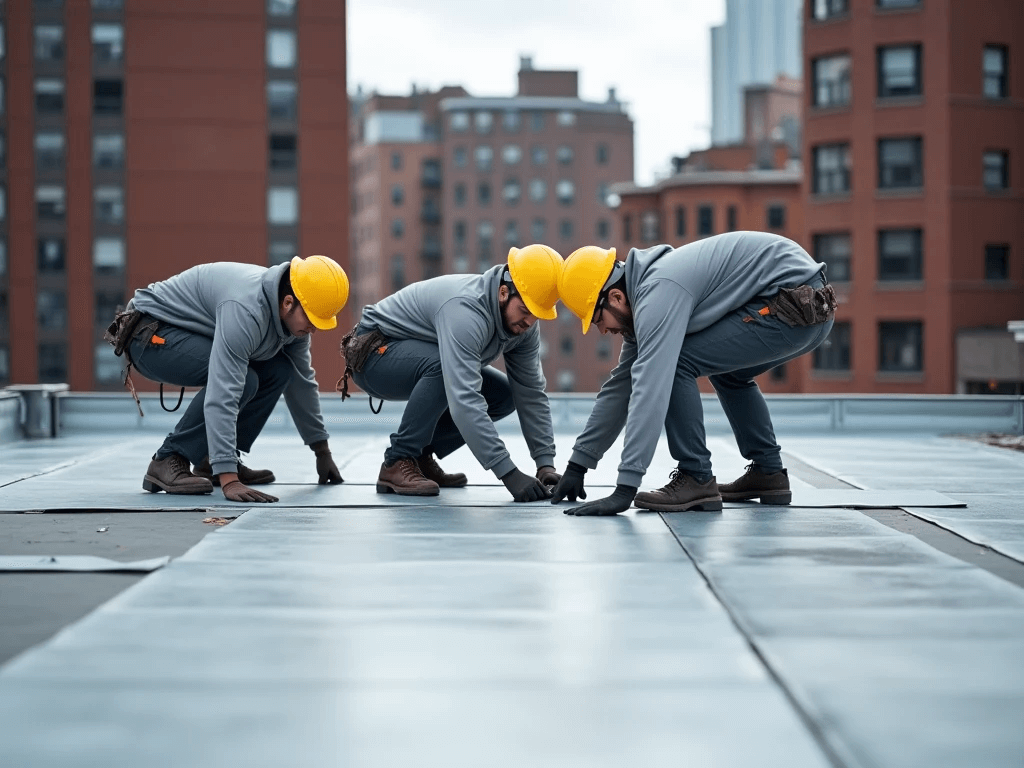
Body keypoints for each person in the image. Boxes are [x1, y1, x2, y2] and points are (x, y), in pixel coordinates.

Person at [551, 231, 837, 516]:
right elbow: (621, 385)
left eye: (598, 319)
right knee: (730, 374)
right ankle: (768, 473)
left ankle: (695, 476)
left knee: (677, 362)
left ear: (615, 296)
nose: (603, 331)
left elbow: (650, 388)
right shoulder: (646, 297)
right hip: (806, 306)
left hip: (792, 303)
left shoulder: (659, 292)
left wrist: (625, 488)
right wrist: (578, 465)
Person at [112, 255, 349, 503]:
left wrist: (321, 450)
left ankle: (208, 459)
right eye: (311, 320)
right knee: (243, 380)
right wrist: (230, 480)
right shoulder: (247, 308)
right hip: (150, 336)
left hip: (187, 334)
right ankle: (169, 458)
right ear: (288, 302)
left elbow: (301, 382)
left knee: (281, 370)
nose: (313, 329)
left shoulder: (292, 322)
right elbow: (224, 389)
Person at [342, 244, 564, 500]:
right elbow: (464, 400)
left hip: (417, 355)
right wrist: (509, 473)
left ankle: (419, 457)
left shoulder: (523, 327)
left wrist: (545, 464)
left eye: (537, 315)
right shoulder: (465, 312)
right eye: (525, 311)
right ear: (504, 292)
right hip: (374, 354)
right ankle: (398, 460)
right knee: (442, 368)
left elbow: (531, 392)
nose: (529, 323)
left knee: (504, 395)